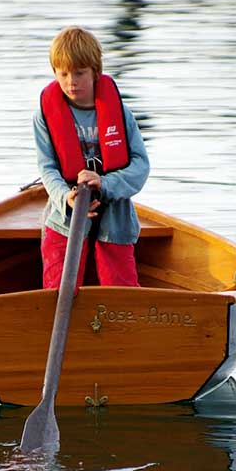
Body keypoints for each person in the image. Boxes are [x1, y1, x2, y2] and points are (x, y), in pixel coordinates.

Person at [33, 26, 150, 290]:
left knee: (121, 294)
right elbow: (47, 168)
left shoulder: (120, 113)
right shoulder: (43, 115)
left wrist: (106, 183)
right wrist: (67, 198)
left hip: (115, 219)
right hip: (64, 219)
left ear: (95, 72)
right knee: (57, 290)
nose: (71, 81)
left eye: (79, 73)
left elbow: (140, 166)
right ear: (54, 73)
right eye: (63, 74)